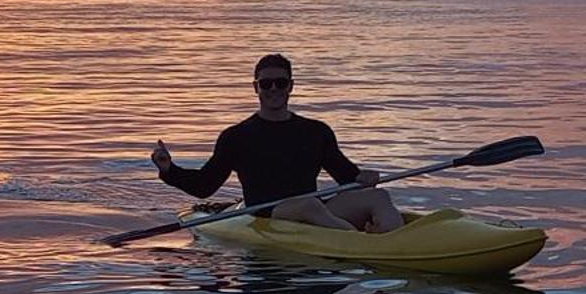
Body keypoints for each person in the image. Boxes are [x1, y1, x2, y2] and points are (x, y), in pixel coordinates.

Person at [151, 54, 403, 232]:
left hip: (318, 210)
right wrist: (168, 169)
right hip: (268, 213)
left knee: (379, 197)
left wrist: (363, 178)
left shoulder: (316, 131)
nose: (274, 89)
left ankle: (395, 240)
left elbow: (347, 177)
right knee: (307, 205)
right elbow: (205, 186)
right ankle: (360, 241)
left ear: (291, 86)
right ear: (255, 88)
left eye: (281, 83)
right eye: (266, 83)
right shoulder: (236, 136)